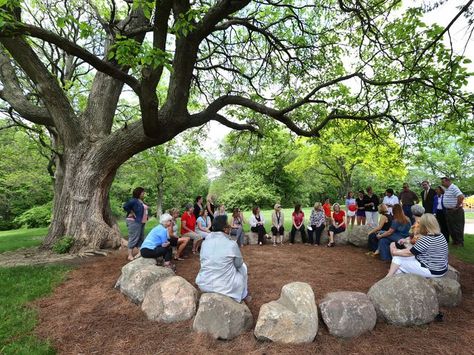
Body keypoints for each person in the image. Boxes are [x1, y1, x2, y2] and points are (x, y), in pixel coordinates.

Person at [195, 215, 250, 303]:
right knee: (243, 267)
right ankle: (244, 294)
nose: (229, 226)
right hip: (225, 288)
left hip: (204, 283)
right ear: (225, 229)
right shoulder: (231, 244)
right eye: (228, 224)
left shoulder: (205, 243)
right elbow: (238, 264)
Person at [386, 214, 448, 278]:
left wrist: (395, 252)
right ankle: (396, 276)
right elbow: (415, 250)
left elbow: (410, 253)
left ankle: (388, 277)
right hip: (441, 269)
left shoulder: (427, 238)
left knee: (397, 258)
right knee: (398, 265)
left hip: (432, 270)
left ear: (425, 226)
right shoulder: (440, 235)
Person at [123, 187, 148, 261]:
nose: (144, 194)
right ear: (138, 193)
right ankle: (130, 255)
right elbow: (125, 206)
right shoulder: (133, 200)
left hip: (141, 222)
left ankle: (140, 252)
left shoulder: (141, 201)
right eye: (142, 192)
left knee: (140, 237)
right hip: (134, 221)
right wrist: (131, 212)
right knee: (134, 237)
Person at [441, 177, 465, 246]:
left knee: (457, 227)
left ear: (448, 181)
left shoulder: (454, 187)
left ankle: (460, 242)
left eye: (443, 182)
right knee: (451, 227)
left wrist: (457, 206)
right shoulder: (447, 189)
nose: (442, 183)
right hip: (449, 211)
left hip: (456, 211)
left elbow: (461, 197)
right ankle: (455, 241)